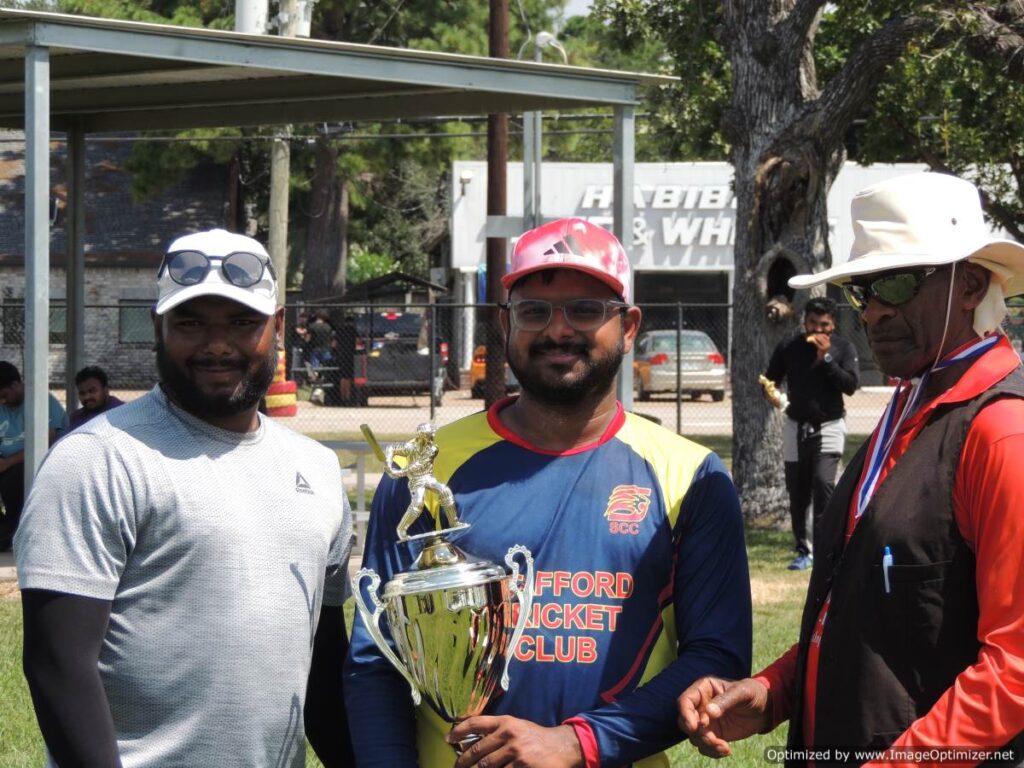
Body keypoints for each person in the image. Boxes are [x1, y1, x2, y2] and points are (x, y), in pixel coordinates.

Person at [346, 218, 752, 768]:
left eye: (585, 309)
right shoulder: (426, 470)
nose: (558, 331)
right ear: (504, 323)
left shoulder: (691, 476)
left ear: (629, 326)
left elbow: (717, 656)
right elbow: (378, 661)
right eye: (534, 311)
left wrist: (577, 743)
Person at [679, 172, 1024, 763]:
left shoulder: (999, 431)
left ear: (970, 284)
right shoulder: (911, 404)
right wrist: (773, 691)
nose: (874, 313)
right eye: (864, 291)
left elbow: (1014, 667)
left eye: (895, 283)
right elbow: (866, 611)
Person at [15, 228, 354, 767]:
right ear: (158, 326)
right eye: (191, 323)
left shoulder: (316, 468)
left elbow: (323, 661)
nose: (217, 345)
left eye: (243, 323)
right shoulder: (98, 458)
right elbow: (59, 665)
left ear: (279, 326)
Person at [763, 297, 859, 571]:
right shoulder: (790, 347)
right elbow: (770, 378)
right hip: (795, 426)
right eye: (813, 324)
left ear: (833, 325)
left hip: (829, 426)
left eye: (824, 325)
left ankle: (829, 548)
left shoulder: (843, 347)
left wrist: (826, 359)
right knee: (798, 490)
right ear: (804, 322)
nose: (818, 330)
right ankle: (804, 550)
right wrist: (771, 393)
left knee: (823, 483)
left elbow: (851, 385)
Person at [0, 361, 67, 551]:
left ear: (15, 385)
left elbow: (44, 442)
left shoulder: (42, 402)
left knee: (15, 478)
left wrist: (6, 463)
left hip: (37, 463)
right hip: (5, 463)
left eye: (4, 395)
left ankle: (14, 530)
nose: (2, 401)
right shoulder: (2, 408)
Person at [68, 365, 124, 430]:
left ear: (106, 391)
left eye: (92, 391)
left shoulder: (122, 413)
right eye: (82, 393)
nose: (87, 397)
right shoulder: (76, 418)